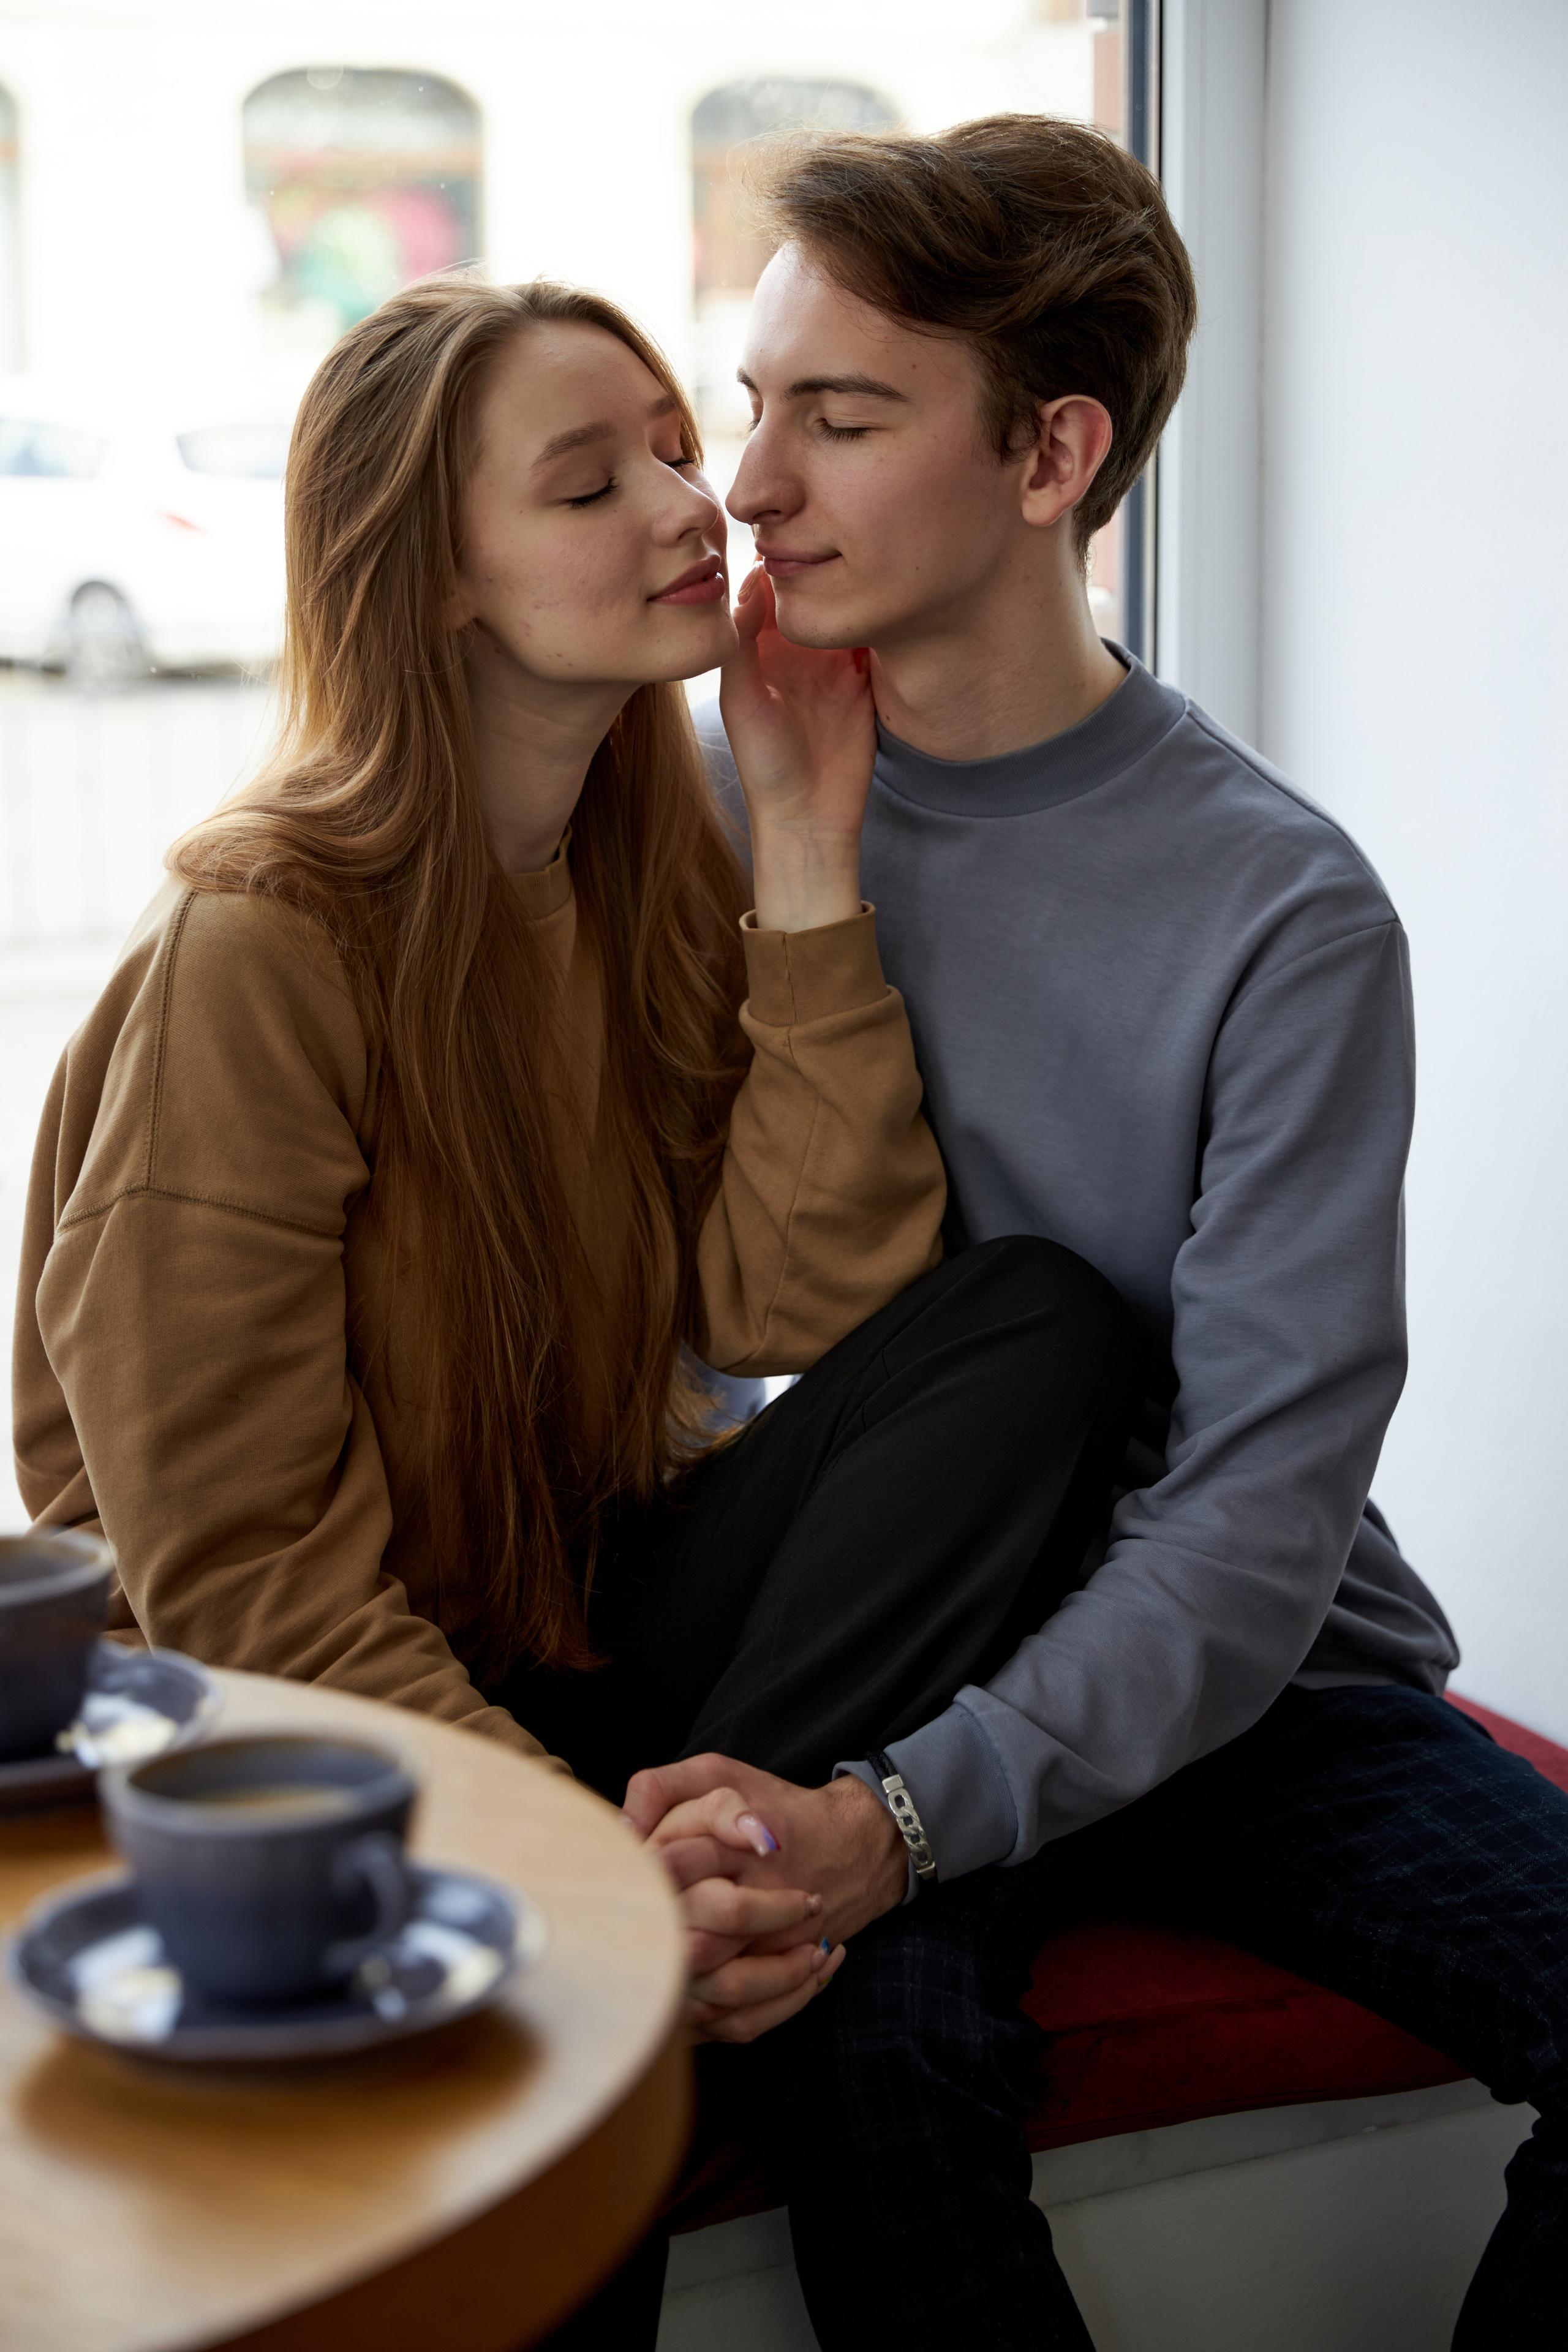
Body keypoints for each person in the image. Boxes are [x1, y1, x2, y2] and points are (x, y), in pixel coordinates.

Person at [10, 270, 1143, 2232]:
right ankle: (670, 1927)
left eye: (675, 449)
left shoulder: (643, 876)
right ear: (434, 576)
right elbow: (239, 1579)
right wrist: (579, 1873)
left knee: (1035, 1330)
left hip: (571, 1636)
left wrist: (803, 856)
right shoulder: (263, 949)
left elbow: (799, 1304)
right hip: (311, 1720)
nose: (692, 506)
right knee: (566, 2160)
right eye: (585, 482)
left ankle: (709, 1876)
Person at [648, 117, 1568, 2347]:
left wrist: (904, 1819)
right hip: (893, 1630)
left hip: (1255, 1687)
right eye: (757, 403)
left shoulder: (1283, 907)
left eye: (842, 418)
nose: (752, 488)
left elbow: (1258, 1527)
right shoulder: (695, 795)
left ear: (1053, 453)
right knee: (879, 2103)